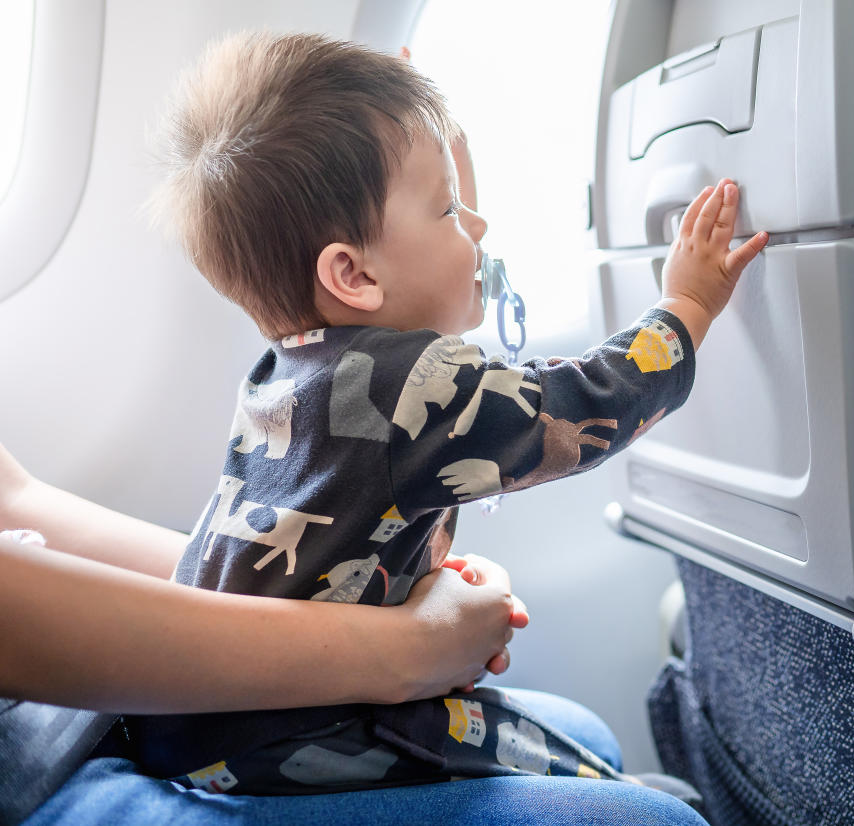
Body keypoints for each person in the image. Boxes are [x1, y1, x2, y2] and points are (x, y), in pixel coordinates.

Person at [131, 30, 767, 797]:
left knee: (564, 750)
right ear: (354, 274)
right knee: (619, 787)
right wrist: (687, 305)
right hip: (301, 732)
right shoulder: (409, 384)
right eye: (447, 209)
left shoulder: (287, 369)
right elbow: (579, 408)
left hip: (206, 721)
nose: (478, 227)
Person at [0, 446, 708, 825]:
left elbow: (16, 506)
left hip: (93, 715)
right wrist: (408, 651)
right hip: (29, 787)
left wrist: (359, 599)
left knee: (581, 733)